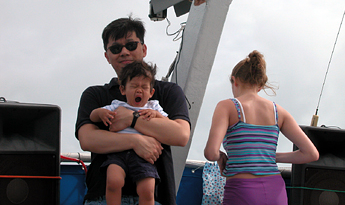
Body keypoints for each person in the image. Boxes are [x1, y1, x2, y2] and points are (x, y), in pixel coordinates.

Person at [75, 16, 191, 205]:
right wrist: (136, 141)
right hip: (101, 197)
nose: (124, 52)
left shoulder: (168, 91)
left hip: (156, 198)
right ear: (107, 56)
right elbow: (87, 139)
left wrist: (132, 119)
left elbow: (180, 135)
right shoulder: (95, 95)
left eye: (131, 45)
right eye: (115, 48)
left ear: (143, 49)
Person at [204, 50, 319, 205]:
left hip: (242, 190)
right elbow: (311, 154)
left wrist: (220, 156)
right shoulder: (279, 112)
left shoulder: (227, 106)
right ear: (260, 86)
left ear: (234, 80)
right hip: (276, 191)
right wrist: (269, 155)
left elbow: (211, 153)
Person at [90, 61, 168, 205]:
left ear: (151, 93)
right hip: (118, 152)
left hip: (144, 155)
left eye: (144, 87)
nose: (139, 90)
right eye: (134, 86)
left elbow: (167, 123)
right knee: (113, 181)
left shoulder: (153, 107)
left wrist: (156, 115)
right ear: (123, 90)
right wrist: (100, 113)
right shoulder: (117, 105)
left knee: (147, 188)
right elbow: (92, 116)